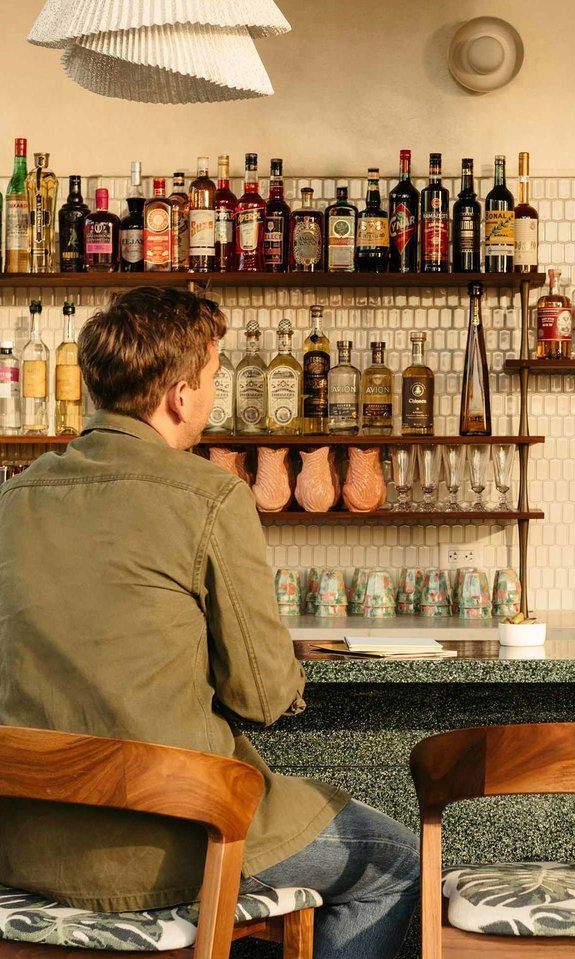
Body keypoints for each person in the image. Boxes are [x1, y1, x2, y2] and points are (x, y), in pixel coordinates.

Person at [0, 288, 418, 959]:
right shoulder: (210, 495)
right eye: (215, 377)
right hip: (170, 847)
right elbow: (262, 693)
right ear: (180, 394)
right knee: (395, 862)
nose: (213, 393)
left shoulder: (12, 497)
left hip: (23, 847)